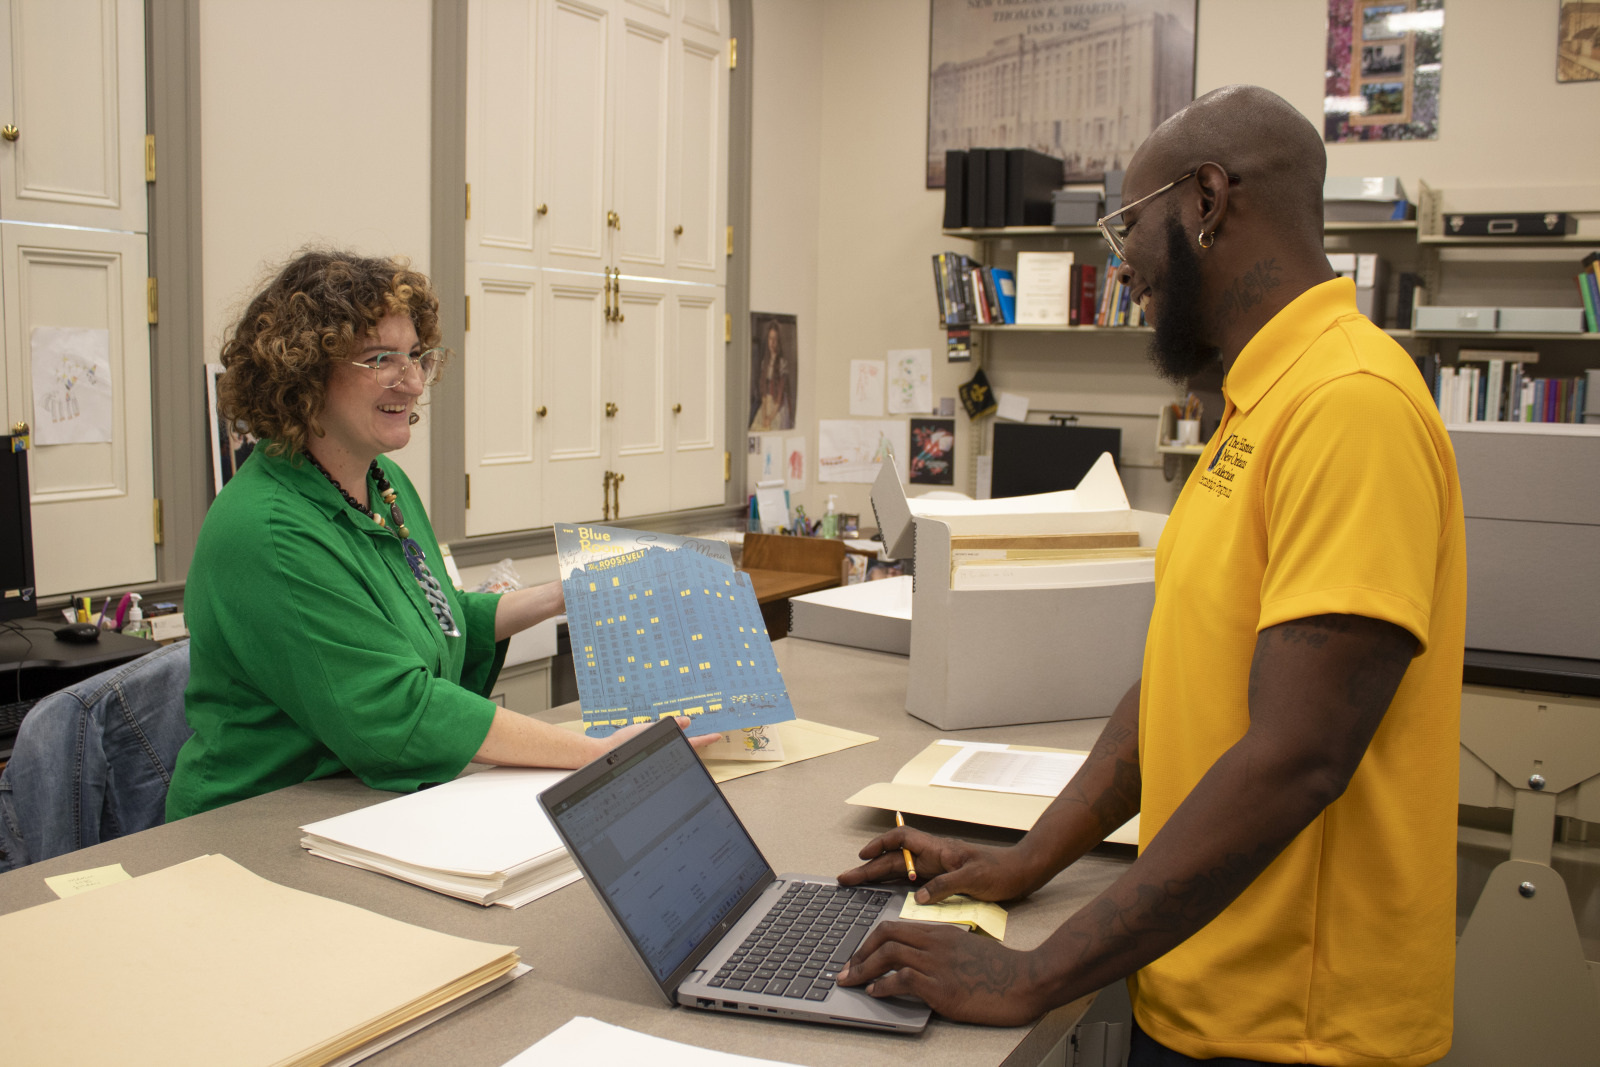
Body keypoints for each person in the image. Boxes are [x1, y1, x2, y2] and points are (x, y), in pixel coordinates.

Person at [838, 85, 1466, 1066]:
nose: (1122, 260)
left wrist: (1035, 973)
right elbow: (1176, 681)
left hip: (1294, 1029)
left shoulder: (1348, 403)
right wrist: (1025, 859)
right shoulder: (1253, 405)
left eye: (1127, 223)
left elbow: (1297, 755)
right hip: (1201, 989)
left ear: (1207, 198)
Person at [167, 251, 715, 821]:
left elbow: (442, 618)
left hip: (356, 804)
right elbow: (398, 709)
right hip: (252, 824)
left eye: (415, 356)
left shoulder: (384, 485)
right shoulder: (270, 529)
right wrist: (596, 755)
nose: (410, 380)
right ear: (303, 375)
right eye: (380, 358)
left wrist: (565, 594)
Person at [749, 319, 793, 431]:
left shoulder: (782, 363)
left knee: (773, 427)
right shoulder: (765, 363)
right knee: (756, 426)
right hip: (767, 403)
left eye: (775, 339)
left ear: (779, 342)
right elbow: (763, 393)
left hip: (778, 406)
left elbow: (779, 398)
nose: (772, 342)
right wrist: (764, 415)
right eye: (770, 338)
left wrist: (770, 418)